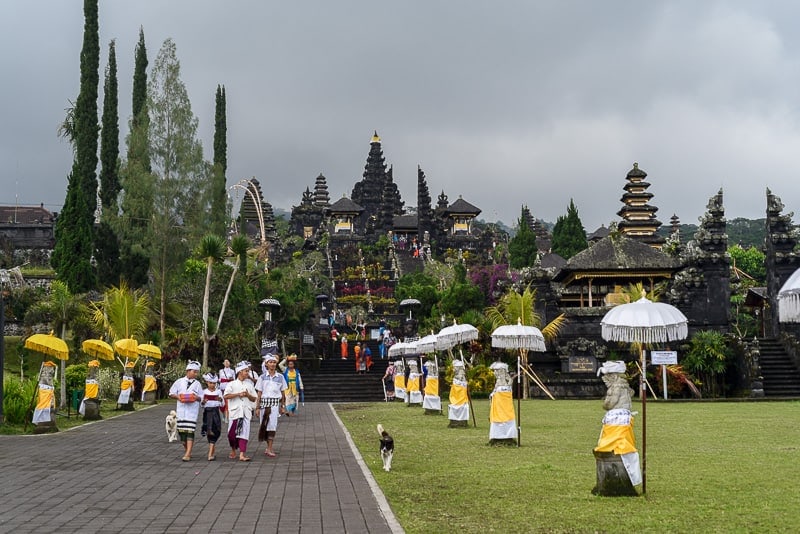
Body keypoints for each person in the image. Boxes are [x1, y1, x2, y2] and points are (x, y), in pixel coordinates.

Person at [168, 360, 205, 461]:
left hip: (192, 412)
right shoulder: (179, 382)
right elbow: (171, 393)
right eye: (194, 372)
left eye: (197, 372)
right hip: (181, 411)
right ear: (188, 371)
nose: (196, 374)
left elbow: (201, 397)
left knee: (190, 432)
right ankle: (187, 449)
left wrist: (196, 397)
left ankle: (188, 453)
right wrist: (178, 397)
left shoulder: (197, 384)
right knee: (182, 434)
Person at [224, 361, 257, 462]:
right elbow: (226, 396)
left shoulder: (249, 385)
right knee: (232, 434)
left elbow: (254, 398)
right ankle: (233, 449)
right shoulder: (231, 384)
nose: (248, 373)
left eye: (248, 371)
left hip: (245, 412)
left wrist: (248, 395)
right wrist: (238, 394)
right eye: (246, 371)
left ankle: (242, 454)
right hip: (235, 412)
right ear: (240, 372)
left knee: (244, 433)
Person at [255, 354, 288, 457]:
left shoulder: (280, 377)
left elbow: (283, 393)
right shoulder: (262, 377)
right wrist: (257, 407)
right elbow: (259, 393)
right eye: (270, 362)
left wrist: (283, 406)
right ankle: (268, 447)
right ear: (266, 364)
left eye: (274, 362)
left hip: (274, 404)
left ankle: (270, 448)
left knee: (272, 426)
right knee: (264, 426)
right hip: (264, 404)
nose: (272, 364)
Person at [200, 372, 224, 461]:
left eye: (214, 383)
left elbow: (222, 403)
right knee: (209, 430)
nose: (212, 385)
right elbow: (201, 405)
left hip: (215, 412)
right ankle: (211, 452)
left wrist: (220, 400)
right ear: (207, 382)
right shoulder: (204, 392)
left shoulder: (218, 392)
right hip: (207, 413)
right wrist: (203, 402)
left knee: (216, 430)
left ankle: (211, 451)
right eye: (210, 383)